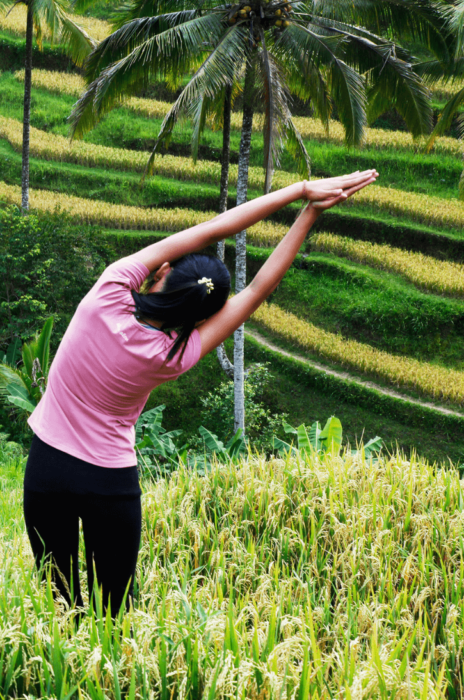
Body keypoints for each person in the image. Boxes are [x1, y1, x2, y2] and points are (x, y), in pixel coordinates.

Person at [24, 169, 378, 617]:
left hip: (47, 468)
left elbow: (215, 228)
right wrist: (310, 213)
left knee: (59, 604)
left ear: (165, 271)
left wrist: (302, 189)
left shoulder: (108, 290)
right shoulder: (175, 354)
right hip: (108, 483)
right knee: (112, 617)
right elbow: (258, 289)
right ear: (201, 317)